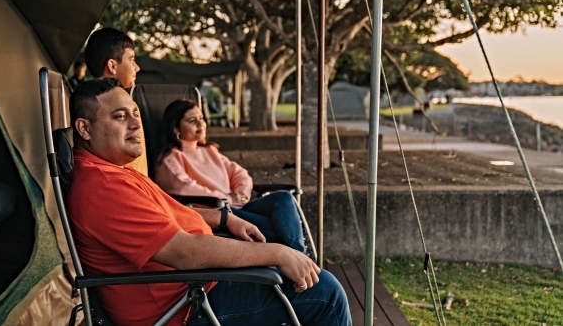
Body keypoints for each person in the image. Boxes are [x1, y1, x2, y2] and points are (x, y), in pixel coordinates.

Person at [67, 78, 351, 326]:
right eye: (119, 116)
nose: (135, 123)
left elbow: (173, 213)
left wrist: (225, 218)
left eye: (135, 113)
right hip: (184, 305)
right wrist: (278, 253)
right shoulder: (103, 187)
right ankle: (298, 262)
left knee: (284, 213)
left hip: (194, 283)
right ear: (85, 129)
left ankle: (299, 263)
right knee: (325, 293)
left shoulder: (113, 171)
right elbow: (185, 253)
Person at [154, 99, 305, 253]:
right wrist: (228, 198)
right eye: (192, 120)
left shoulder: (209, 151)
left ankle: (301, 260)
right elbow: (184, 188)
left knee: (283, 198)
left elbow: (240, 174)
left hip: (238, 206)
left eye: (201, 118)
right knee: (279, 228)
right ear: (176, 129)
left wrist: (240, 194)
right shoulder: (170, 158)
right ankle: (303, 261)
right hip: (218, 214)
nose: (201, 124)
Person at [83, 27, 147, 174]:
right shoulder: (127, 106)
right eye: (131, 59)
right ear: (112, 65)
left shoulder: (88, 105)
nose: (137, 68)